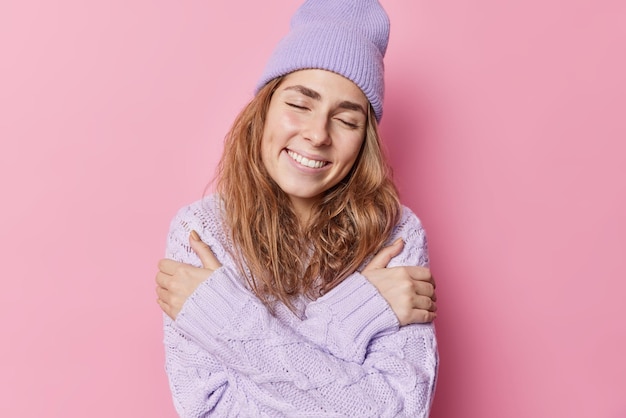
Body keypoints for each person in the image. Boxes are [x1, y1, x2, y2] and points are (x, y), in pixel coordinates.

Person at [155, 0, 439, 416]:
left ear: (365, 142)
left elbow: (401, 410)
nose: (317, 134)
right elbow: (211, 411)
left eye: (346, 120)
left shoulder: (397, 237)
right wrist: (356, 314)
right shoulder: (201, 233)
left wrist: (227, 324)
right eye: (300, 104)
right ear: (264, 109)